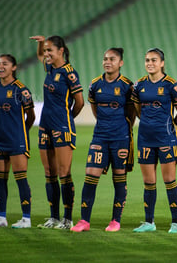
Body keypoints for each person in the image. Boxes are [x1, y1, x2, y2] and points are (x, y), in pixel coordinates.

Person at [71, 48, 135, 232]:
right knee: (90, 176)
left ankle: (115, 221)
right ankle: (84, 221)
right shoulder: (95, 84)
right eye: (105, 59)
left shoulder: (127, 85)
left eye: (112, 59)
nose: (107, 62)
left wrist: (122, 128)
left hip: (120, 138)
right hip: (100, 136)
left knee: (119, 178)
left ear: (120, 63)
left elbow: (131, 113)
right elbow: (95, 110)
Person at [30, 35, 84, 229]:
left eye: (49, 50)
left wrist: (67, 118)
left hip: (62, 127)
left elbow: (80, 102)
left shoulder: (70, 73)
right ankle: (53, 217)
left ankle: (67, 219)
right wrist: (40, 43)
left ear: (61, 51)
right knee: (49, 172)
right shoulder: (50, 66)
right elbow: (39, 57)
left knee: (64, 173)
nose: (46, 54)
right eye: (45, 51)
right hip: (45, 125)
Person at [131, 48, 177, 233]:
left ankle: (176, 223)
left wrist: (171, 126)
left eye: (154, 60)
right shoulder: (139, 85)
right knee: (149, 182)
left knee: (169, 180)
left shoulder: (172, 85)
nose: (150, 63)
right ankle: (149, 222)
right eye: (147, 60)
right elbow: (137, 109)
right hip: (145, 138)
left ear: (162, 63)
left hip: (166, 138)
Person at [0, 54, 35, 228]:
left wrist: (20, 133)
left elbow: (31, 116)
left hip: (17, 140)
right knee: (0, 179)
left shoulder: (21, 89)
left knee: (20, 178)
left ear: (13, 67)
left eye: (4, 64)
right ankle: (1, 217)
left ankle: (26, 219)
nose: (0, 66)